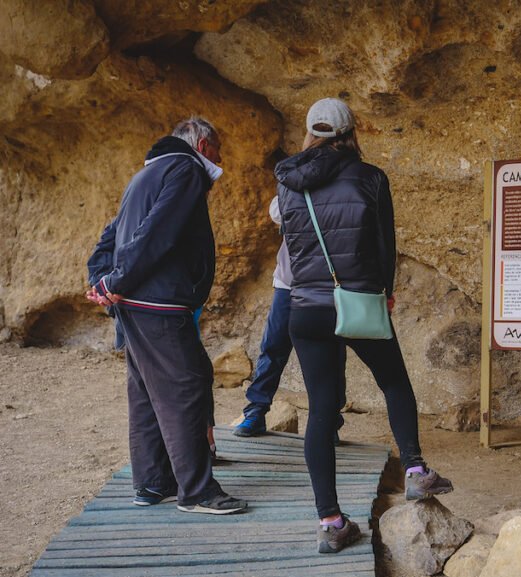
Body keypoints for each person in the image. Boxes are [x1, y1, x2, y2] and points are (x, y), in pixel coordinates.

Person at [275, 98, 453, 554]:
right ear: (351, 132)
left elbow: (294, 245)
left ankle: (331, 523)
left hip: (305, 307)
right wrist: (384, 292)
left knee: (319, 409)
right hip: (355, 302)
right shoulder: (371, 178)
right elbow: (383, 245)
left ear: (310, 134)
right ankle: (415, 472)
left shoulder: (288, 183)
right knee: (393, 381)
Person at [85, 117, 247, 515]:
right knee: (186, 387)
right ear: (203, 144)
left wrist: (102, 279)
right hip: (158, 303)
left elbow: (110, 236)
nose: (221, 158)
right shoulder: (186, 169)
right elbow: (160, 231)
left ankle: (153, 483)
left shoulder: (144, 176)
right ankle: (197, 491)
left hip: (134, 305)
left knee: (144, 392)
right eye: (219, 149)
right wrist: (117, 280)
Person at [233, 198, 345, 443]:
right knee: (273, 346)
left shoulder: (340, 188)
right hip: (289, 282)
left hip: (329, 284)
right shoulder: (293, 183)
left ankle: (329, 422)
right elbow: (276, 212)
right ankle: (256, 410)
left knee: (329, 353)